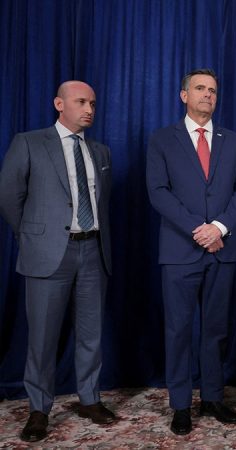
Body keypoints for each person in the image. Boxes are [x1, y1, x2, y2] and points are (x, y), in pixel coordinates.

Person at [0, 81, 116, 442]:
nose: (89, 109)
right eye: (81, 102)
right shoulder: (29, 143)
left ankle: (90, 399)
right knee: (42, 337)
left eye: (93, 103)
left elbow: (103, 203)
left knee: (91, 333)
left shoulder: (101, 151)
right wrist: (32, 237)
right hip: (49, 253)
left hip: (93, 251)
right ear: (59, 104)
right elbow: (9, 196)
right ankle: (39, 409)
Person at [146, 68, 236, 435]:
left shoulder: (234, 141)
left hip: (224, 250)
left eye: (213, 90)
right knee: (177, 330)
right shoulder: (162, 140)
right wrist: (200, 230)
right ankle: (181, 405)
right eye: (200, 89)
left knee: (216, 330)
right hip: (180, 250)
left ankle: (213, 397)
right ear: (184, 95)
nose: (208, 95)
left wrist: (219, 228)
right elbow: (158, 192)